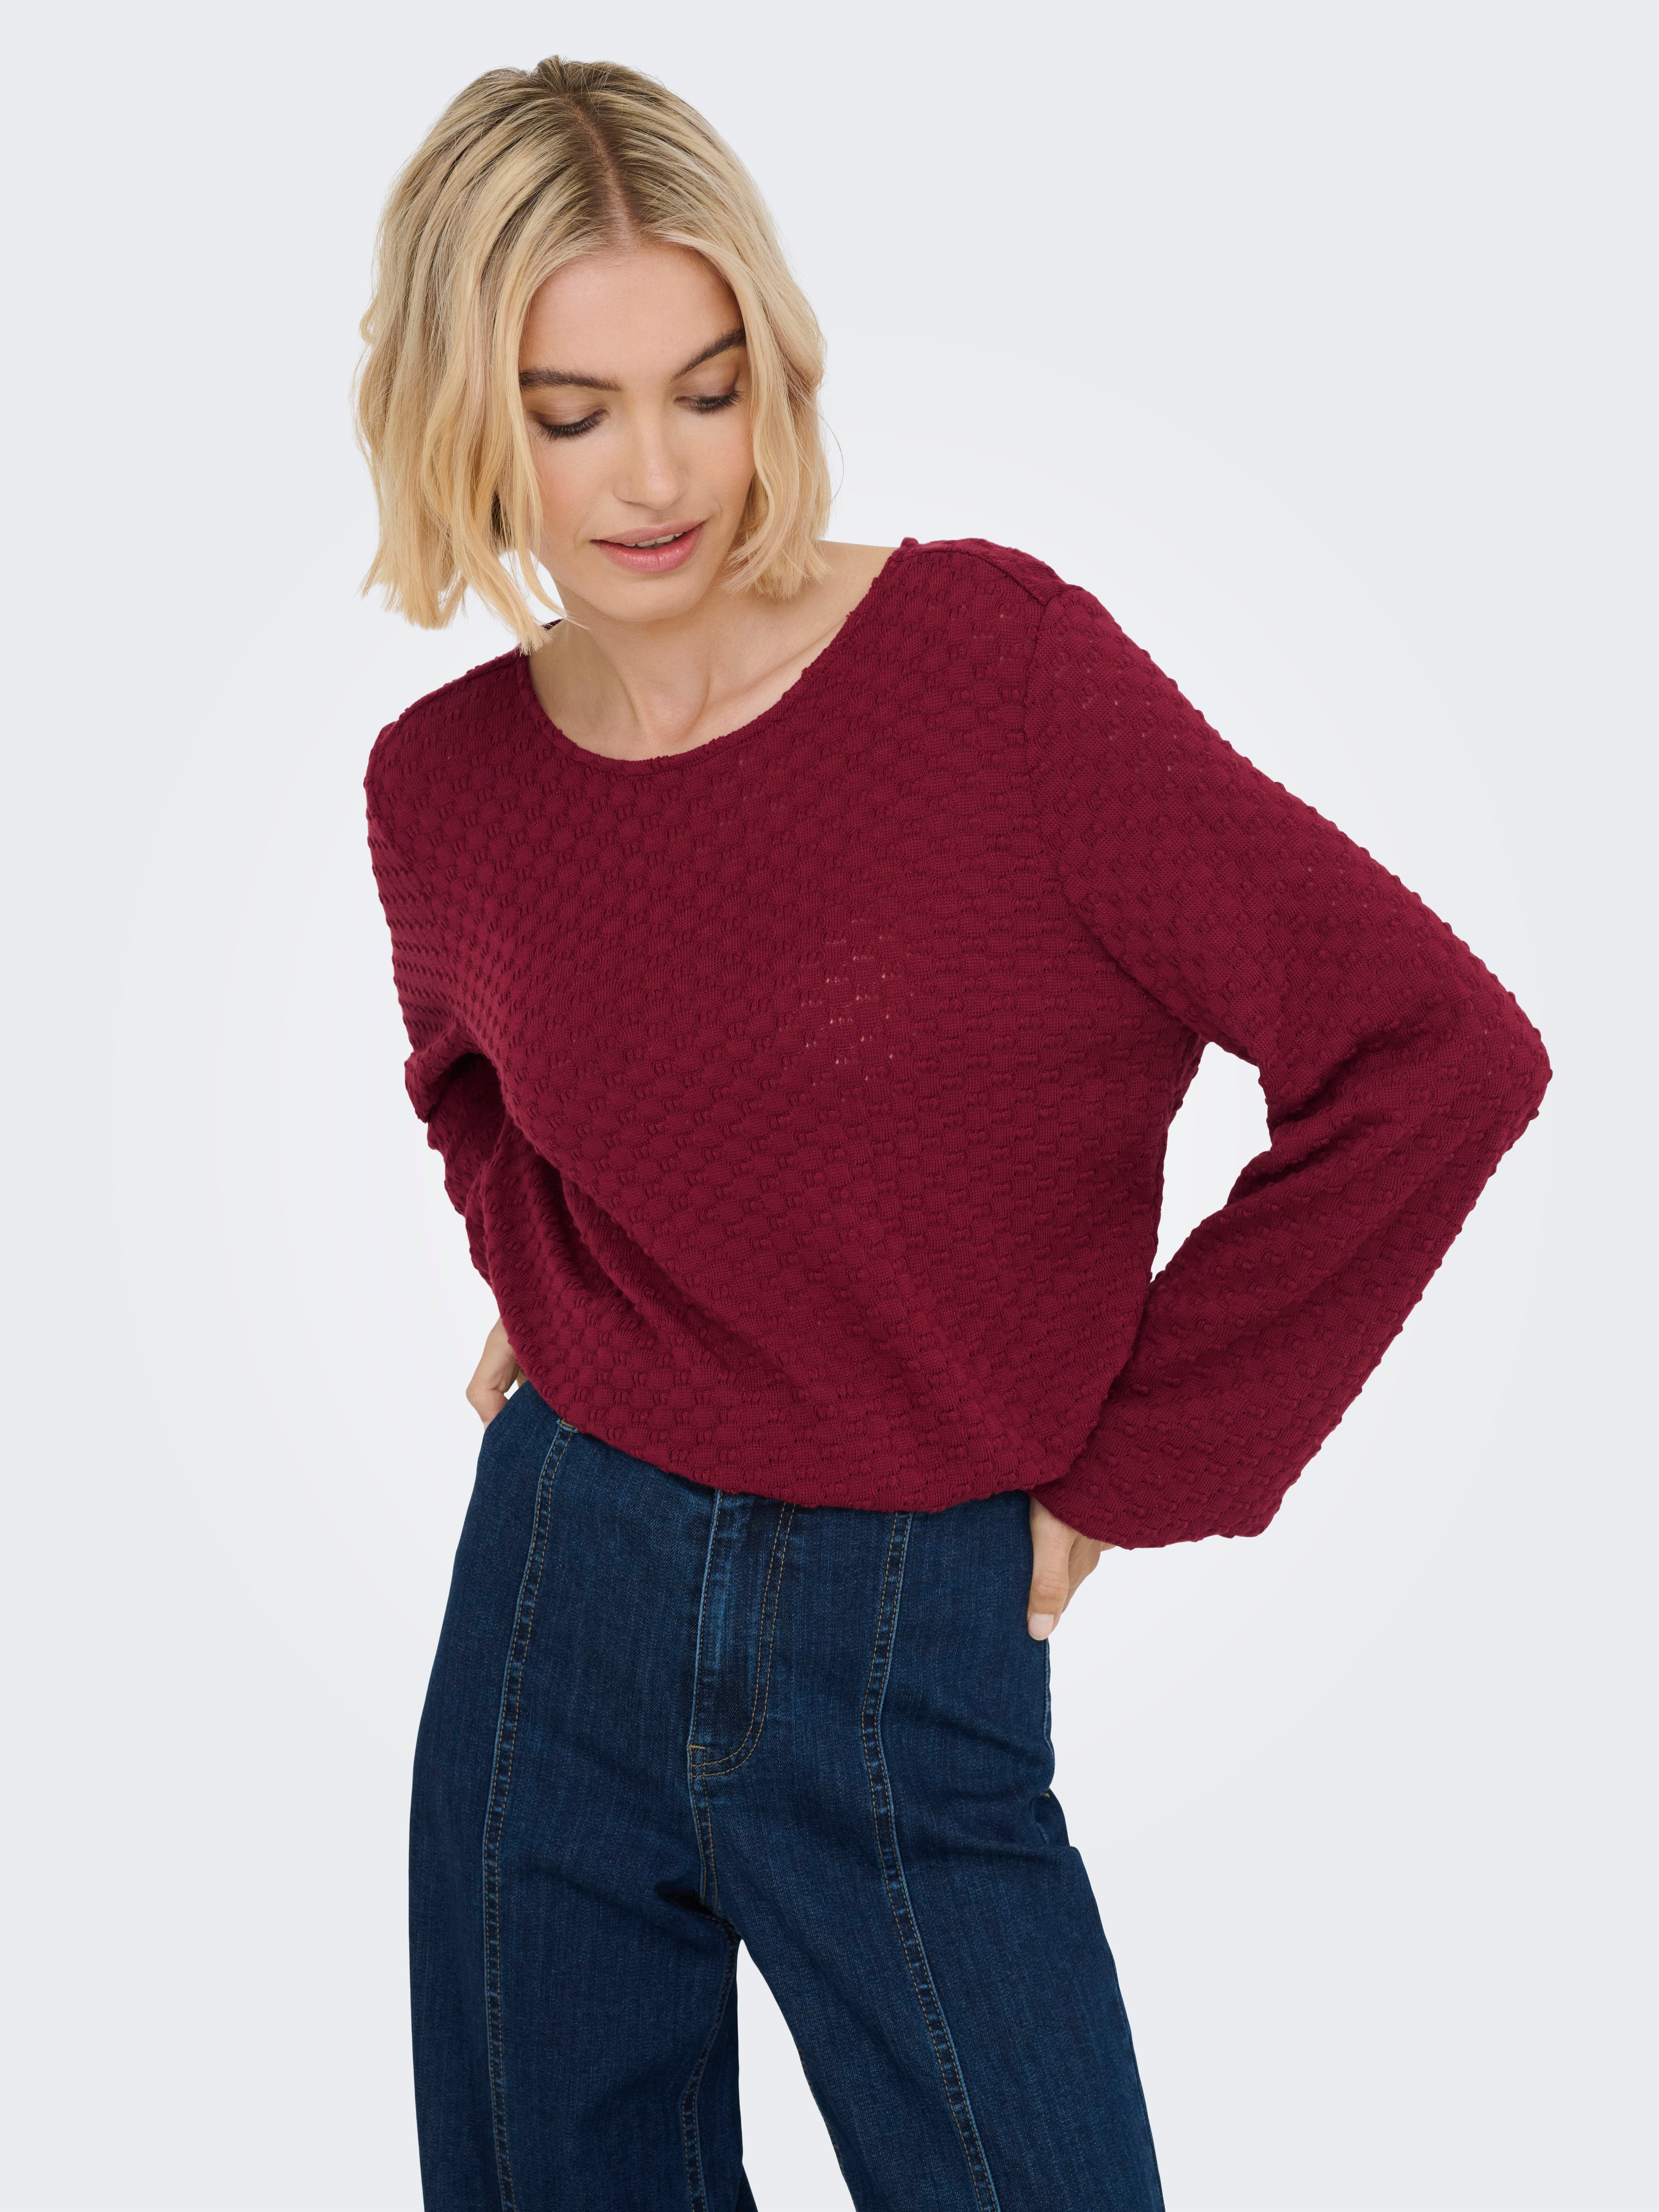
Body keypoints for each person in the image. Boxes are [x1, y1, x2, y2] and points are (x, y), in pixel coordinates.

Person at [355, 54, 1550, 2212]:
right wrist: (567, 1280)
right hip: (557, 1594)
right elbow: (471, 1089)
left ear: (778, 374)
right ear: (458, 418)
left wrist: (1137, 1466)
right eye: (571, 411)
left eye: (710, 388)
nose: (658, 474)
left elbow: (1434, 1054)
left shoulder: (997, 679)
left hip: (906, 1613)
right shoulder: (442, 785)